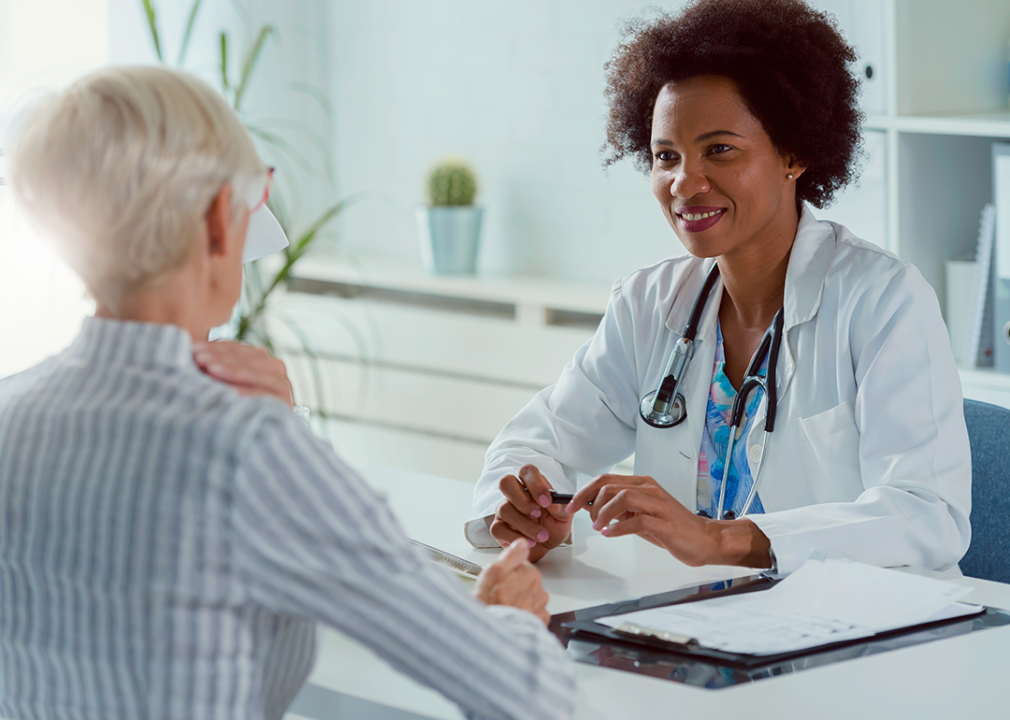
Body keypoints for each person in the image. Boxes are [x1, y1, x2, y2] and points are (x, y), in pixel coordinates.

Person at [1, 66, 573, 720]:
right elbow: (526, 696)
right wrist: (507, 620)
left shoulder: (9, 411)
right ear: (221, 218)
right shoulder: (245, 446)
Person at [466, 0, 971, 576]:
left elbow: (928, 515)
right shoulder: (649, 304)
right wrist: (529, 505)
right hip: (698, 626)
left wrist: (721, 540)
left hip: (870, 637)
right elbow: (538, 438)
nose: (686, 182)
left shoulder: (883, 301)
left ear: (794, 152)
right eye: (666, 156)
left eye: (720, 150)